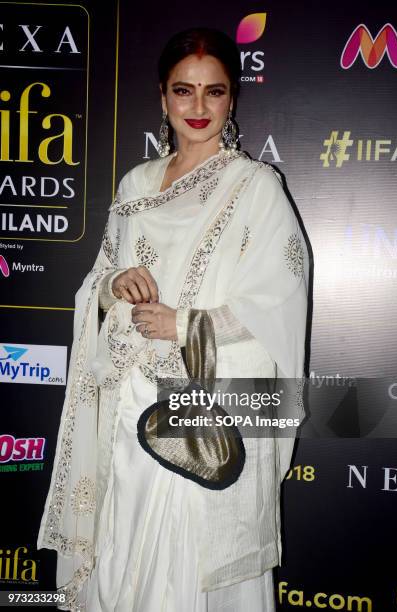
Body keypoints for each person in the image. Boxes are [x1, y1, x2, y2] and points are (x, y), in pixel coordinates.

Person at [37, 27, 309, 612]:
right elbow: (98, 282)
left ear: (231, 100)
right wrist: (114, 286)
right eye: (184, 91)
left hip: (195, 412)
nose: (199, 108)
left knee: (184, 565)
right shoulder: (135, 184)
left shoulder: (257, 188)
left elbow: (278, 309)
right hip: (126, 407)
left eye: (215, 93)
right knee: (120, 551)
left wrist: (184, 324)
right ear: (163, 98)